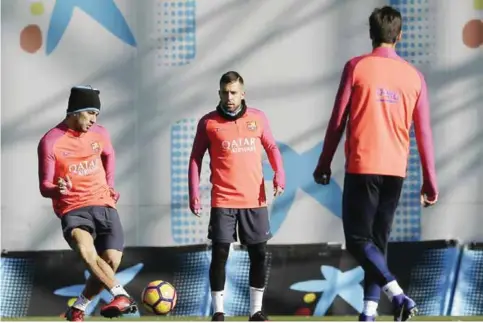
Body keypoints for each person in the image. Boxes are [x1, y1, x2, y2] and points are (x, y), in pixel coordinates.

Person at [312, 6, 438, 322]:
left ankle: (398, 296)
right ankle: (369, 312)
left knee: (357, 240)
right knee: (376, 242)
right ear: (400, 35)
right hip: (395, 170)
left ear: (371, 34)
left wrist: (324, 161)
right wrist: (430, 180)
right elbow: (424, 134)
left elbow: (337, 120)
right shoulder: (414, 77)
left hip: (362, 165)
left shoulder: (356, 67)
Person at [188, 71, 285, 321]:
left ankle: (256, 311)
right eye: (225, 92)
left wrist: (279, 174)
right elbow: (195, 158)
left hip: (254, 199)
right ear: (219, 93)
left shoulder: (258, 118)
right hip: (223, 199)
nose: (229, 97)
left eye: (233, 92)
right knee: (220, 253)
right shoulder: (208, 123)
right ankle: (218, 311)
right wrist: (194, 193)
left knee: (259, 254)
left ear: (243, 93)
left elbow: (272, 147)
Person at [37, 86, 137, 321]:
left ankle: (78, 309)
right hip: (73, 208)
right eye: (90, 112)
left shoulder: (100, 134)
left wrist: (110, 186)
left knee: (110, 261)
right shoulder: (50, 141)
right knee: (85, 250)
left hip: (103, 203)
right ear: (74, 112)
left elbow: (109, 154)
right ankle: (120, 294)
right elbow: (44, 187)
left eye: (96, 115)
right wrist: (56, 188)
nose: (93, 119)